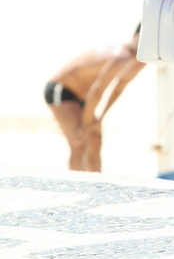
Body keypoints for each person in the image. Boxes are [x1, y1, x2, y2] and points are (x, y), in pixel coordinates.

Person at [45, 25, 145, 172]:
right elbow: (97, 91)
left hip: (84, 95)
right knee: (80, 143)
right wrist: (86, 125)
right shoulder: (121, 56)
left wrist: (99, 119)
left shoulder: (140, 60)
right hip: (61, 89)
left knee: (95, 140)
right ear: (135, 37)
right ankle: (76, 188)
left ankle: (97, 186)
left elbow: (118, 88)